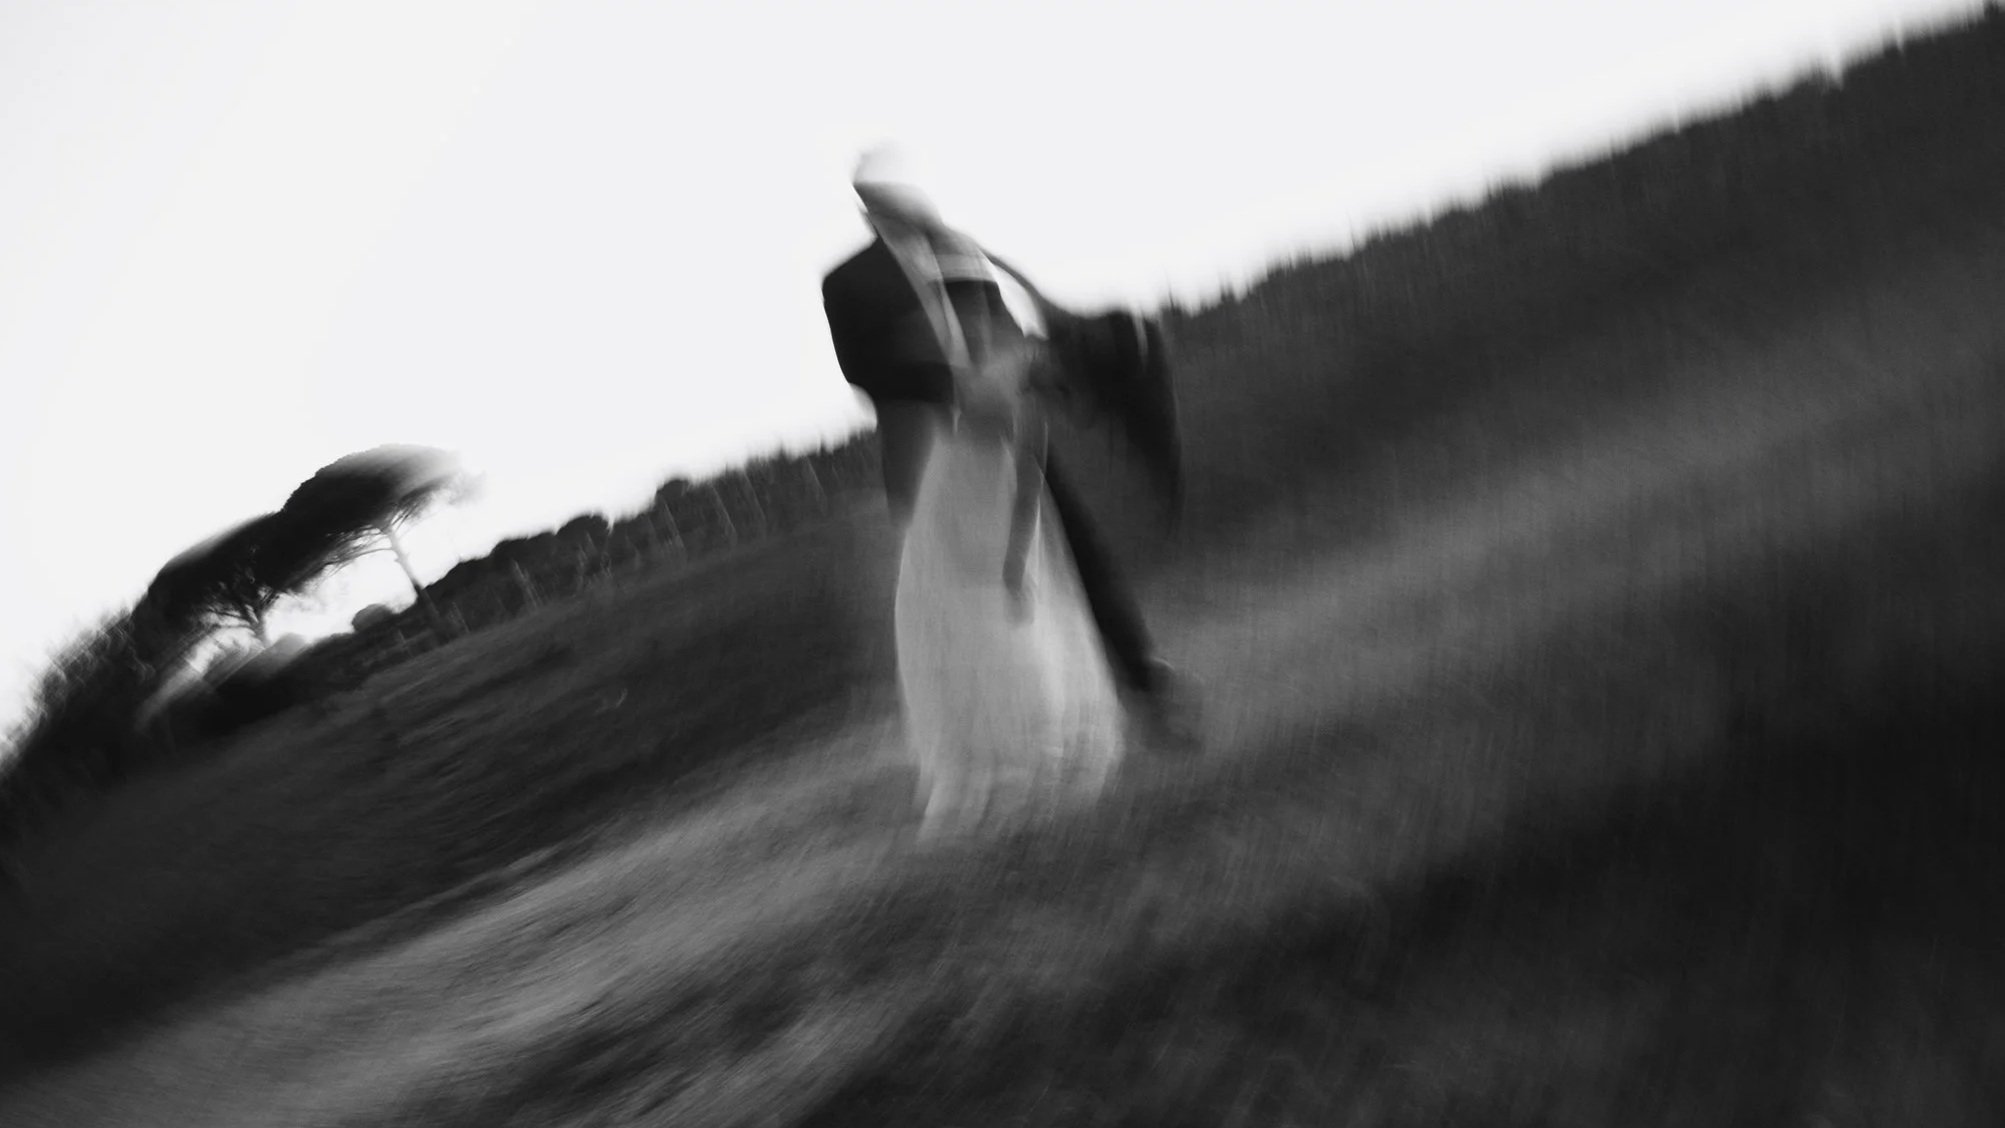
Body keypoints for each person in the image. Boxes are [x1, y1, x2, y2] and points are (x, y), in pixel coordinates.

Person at [820, 152, 1191, 751]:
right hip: (935, 452)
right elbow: (862, 372)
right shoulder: (846, 281)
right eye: (882, 196)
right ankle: (1004, 724)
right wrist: (949, 381)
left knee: (1077, 552)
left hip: (1009, 433)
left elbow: (1005, 329)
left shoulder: (961, 254)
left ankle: (1144, 684)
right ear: (869, 207)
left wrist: (1016, 370)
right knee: (972, 591)